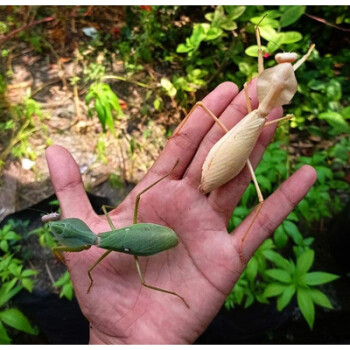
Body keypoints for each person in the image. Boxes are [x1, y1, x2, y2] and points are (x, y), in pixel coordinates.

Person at [45, 81, 317, 344]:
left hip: (145, 237)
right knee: (138, 205)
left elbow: (84, 249)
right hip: (146, 237)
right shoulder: (93, 239)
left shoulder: (93, 249)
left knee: (136, 214)